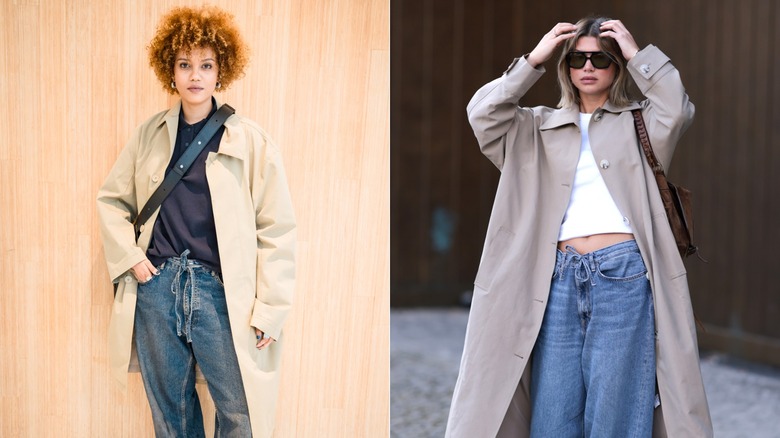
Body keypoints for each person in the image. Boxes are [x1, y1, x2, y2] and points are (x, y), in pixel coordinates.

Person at [446, 17, 712, 437]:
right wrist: (533, 59)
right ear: (565, 66)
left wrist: (637, 53)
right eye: (577, 58)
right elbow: (482, 114)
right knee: (553, 413)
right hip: (556, 277)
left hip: (623, 275)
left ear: (616, 67)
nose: (588, 67)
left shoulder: (641, 123)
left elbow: (677, 108)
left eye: (600, 59)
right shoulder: (533, 127)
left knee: (617, 413)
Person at [97, 5, 295, 437]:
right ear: (170, 70)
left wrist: (271, 309)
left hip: (220, 291)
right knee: (172, 415)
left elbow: (276, 229)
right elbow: (112, 201)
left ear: (221, 70)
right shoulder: (149, 135)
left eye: (206, 64)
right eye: (185, 64)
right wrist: (131, 258)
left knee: (241, 413)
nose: (195, 75)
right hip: (157, 288)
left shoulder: (250, 141)